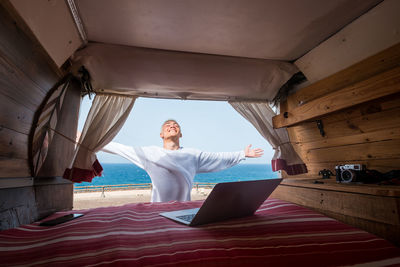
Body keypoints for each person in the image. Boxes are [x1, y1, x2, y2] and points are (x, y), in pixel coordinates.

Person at [101, 119, 264, 202]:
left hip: (184, 210)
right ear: (161, 135)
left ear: (180, 134)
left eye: (175, 125)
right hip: (157, 211)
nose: (172, 125)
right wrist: (86, 140)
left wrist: (243, 154)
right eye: (167, 125)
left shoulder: (192, 155)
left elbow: (218, 158)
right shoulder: (149, 153)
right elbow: (118, 148)